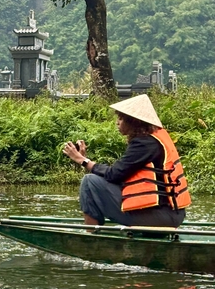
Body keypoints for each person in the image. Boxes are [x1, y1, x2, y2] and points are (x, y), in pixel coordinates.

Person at [62, 94, 190, 227]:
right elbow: (118, 176)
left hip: (160, 216)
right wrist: (86, 160)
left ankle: (91, 238)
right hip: (170, 214)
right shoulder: (153, 139)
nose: (117, 122)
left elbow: (113, 174)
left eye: (121, 119)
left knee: (89, 182)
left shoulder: (144, 144)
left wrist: (81, 159)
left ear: (134, 122)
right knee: (92, 181)